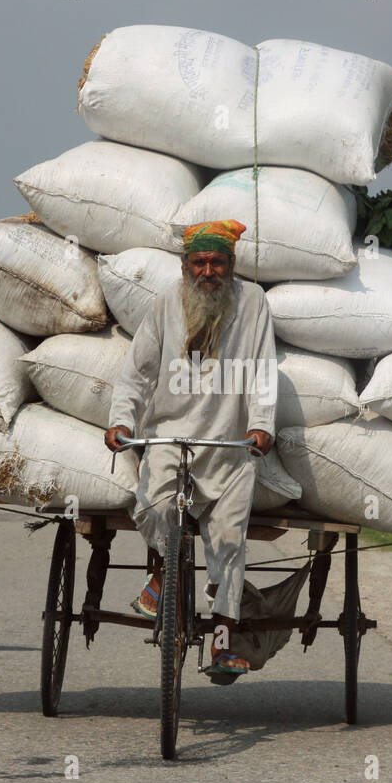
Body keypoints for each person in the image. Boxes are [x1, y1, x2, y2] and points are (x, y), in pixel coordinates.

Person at [104, 219, 277, 678]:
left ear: (231, 266)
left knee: (228, 543)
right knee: (154, 507)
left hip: (231, 446)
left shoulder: (253, 302)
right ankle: (162, 573)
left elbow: (262, 371)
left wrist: (262, 425)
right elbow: (137, 371)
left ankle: (222, 644)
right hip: (168, 437)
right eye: (199, 263)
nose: (208, 272)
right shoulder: (166, 303)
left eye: (217, 262)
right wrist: (121, 420)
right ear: (185, 267)